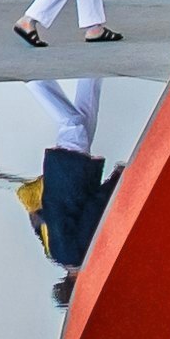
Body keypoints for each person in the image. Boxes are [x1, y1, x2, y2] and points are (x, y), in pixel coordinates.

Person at [20, 78, 119, 305]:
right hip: (58, 177)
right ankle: (91, 72)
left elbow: (93, 210)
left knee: (73, 124)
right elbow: (39, 221)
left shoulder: (78, 254)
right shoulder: (54, 254)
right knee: (86, 117)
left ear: (78, 285)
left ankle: (35, 81)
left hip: (73, 177)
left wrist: (115, 180)